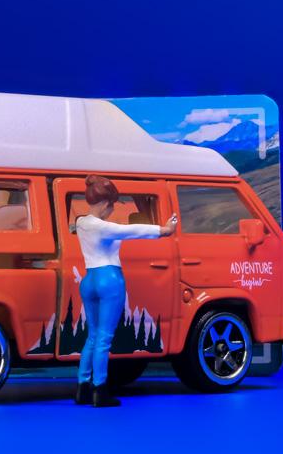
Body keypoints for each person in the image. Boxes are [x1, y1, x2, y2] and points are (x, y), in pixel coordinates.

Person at [74, 174, 177, 407]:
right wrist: (164, 229)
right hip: (109, 279)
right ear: (105, 204)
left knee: (92, 335)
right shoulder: (104, 227)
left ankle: (82, 386)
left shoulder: (81, 223)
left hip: (89, 279)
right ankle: (100, 390)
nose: (112, 210)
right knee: (104, 338)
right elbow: (133, 230)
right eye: (112, 205)